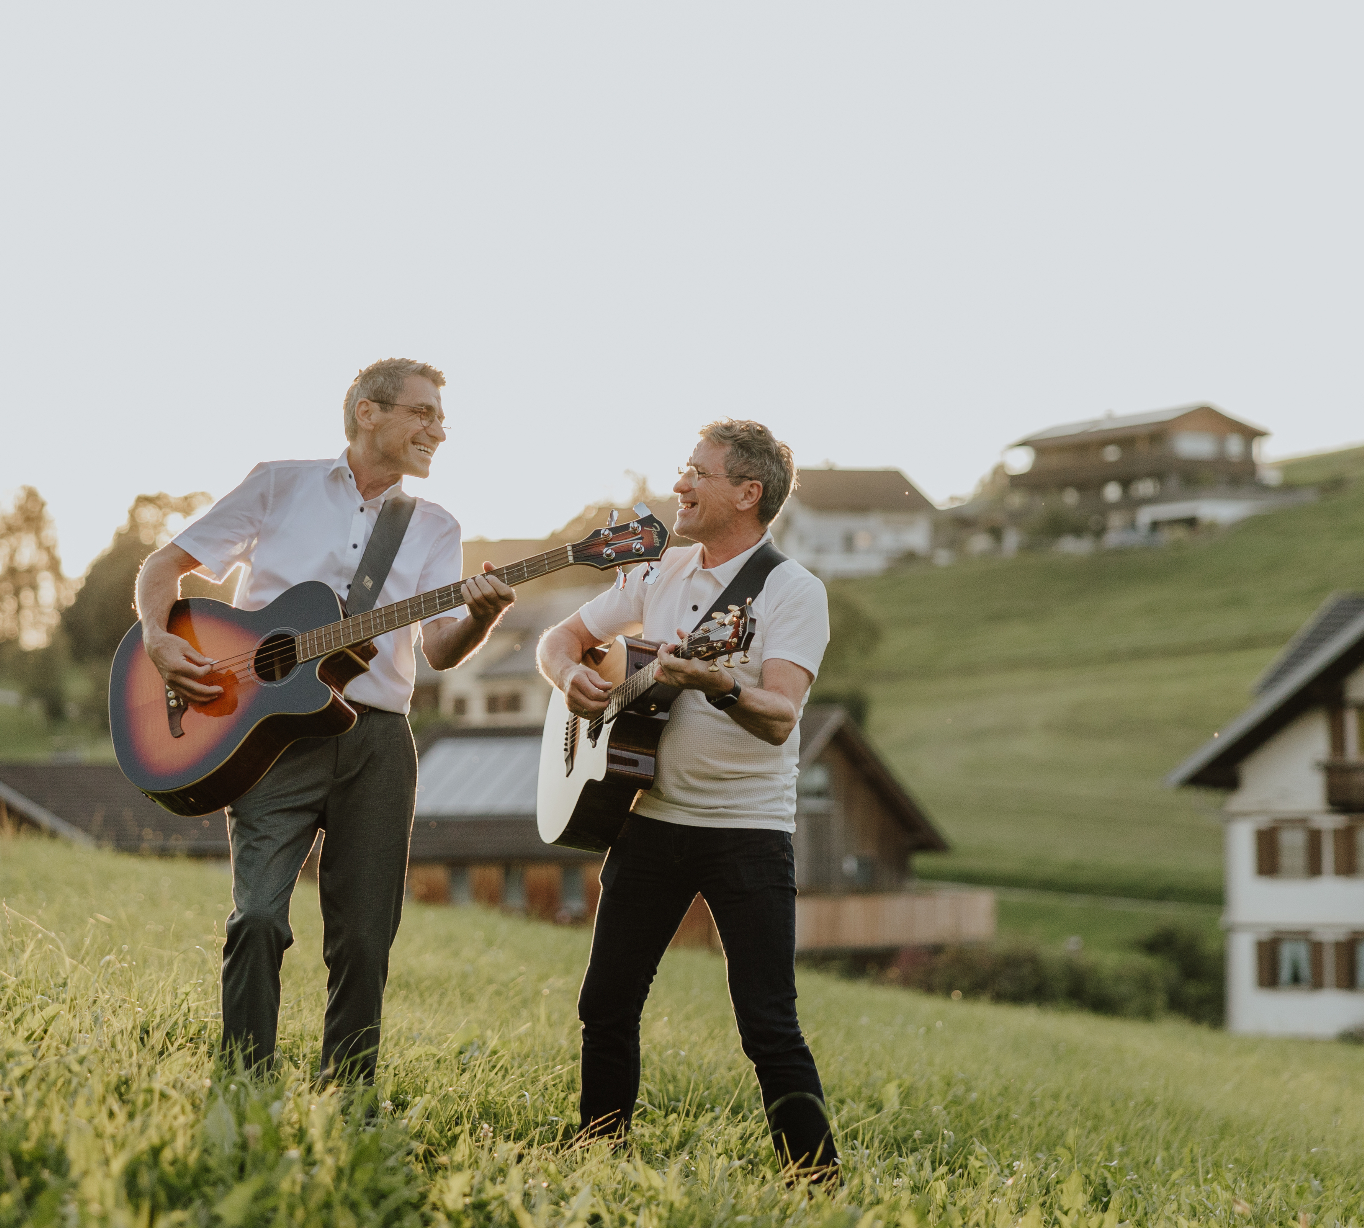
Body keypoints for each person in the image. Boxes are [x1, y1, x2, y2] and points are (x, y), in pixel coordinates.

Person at [135, 357, 515, 1082]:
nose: (439, 430)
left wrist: (482, 617)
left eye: (441, 417)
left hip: (377, 742)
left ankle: (350, 1097)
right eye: (423, 413)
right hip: (267, 731)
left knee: (365, 939)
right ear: (368, 412)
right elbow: (164, 567)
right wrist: (158, 638)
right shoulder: (278, 484)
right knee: (256, 918)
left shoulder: (435, 525)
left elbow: (440, 648)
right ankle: (245, 1083)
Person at [536, 418, 839, 1177]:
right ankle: (600, 1153)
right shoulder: (660, 571)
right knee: (606, 1005)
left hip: (747, 833)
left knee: (768, 1025)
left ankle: (817, 1180)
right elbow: (558, 640)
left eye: (697, 473)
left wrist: (716, 683)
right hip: (649, 821)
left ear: (747, 492)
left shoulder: (791, 592)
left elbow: (780, 716)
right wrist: (570, 678)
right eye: (685, 469)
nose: (679, 484)